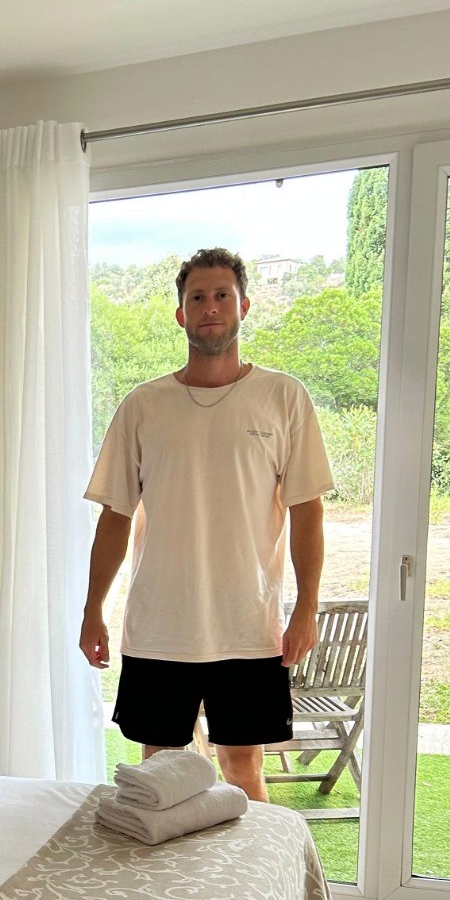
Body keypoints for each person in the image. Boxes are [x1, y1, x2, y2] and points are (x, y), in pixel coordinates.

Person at [79, 246, 335, 802]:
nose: (210, 306)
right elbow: (115, 516)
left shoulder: (283, 397)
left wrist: (307, 608)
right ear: (181, 314)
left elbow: (307, 510)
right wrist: (92, 608)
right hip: (159, 625)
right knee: (160, 773)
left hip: (248, 626)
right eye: (197, 297)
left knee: (243, 768)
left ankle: (260, 863)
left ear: (244, 306)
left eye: (222, 295)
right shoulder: (143, 406)